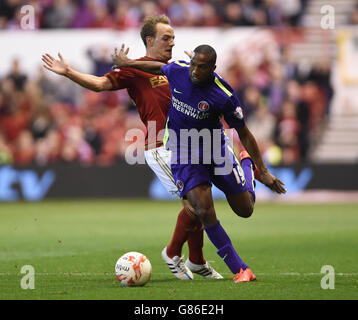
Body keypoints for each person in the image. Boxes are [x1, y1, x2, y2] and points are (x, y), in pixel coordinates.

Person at [41, 15, 222, 281]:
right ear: (150, 40)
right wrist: (69, 72)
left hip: (186, 144)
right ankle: (174, 254)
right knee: (196, 206)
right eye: (166, 38)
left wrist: (199, 74)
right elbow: (101, 84)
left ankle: (196, 260)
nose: (172, 42)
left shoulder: (179, 69)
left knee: (199, 204)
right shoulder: (134, 69)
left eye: (173, 38)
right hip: (159, 146)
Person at [112, 44, 286, 282]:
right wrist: (129, 63)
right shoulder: (180, 71)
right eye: (193, 64)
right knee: (203, 210)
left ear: (213, 68)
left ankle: (246, 165)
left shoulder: (223, 95)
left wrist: (262, 171)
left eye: (201, 67)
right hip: (184, 153)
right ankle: (240, 269)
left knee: (245, 209)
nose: (194, 71)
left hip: (216, 151)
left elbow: (244, 132)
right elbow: (159, 67)